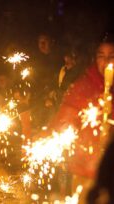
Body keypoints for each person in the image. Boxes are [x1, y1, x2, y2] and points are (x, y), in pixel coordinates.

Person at [43, 33, 114, 202]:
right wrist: (50, 137)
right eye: (101, 56)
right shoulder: (84, 86)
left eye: (112, 57)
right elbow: (66, 116)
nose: (106, 62)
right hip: (85, 170)